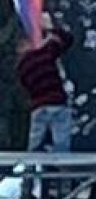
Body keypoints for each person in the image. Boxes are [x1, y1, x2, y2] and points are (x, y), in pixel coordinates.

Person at [16, 16, 74, 152]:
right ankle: (61, 159)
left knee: (35, 140)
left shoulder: (22, 68)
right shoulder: (44, 53)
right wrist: (49, 29)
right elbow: (67, 39)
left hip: (38, 105)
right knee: (61, 139)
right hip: (57, 101)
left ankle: (32, 160)